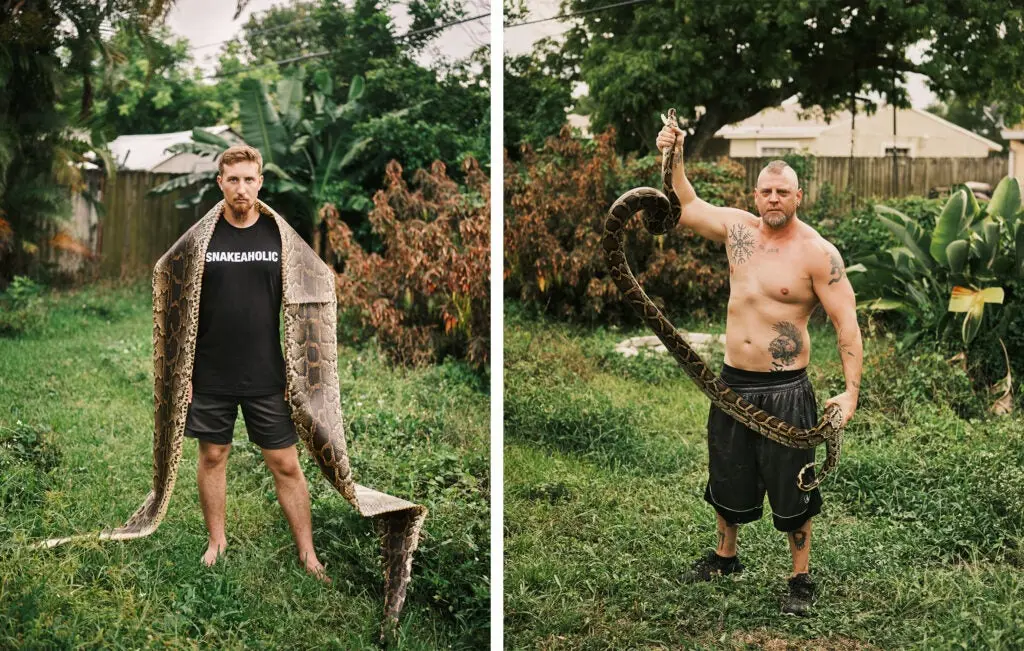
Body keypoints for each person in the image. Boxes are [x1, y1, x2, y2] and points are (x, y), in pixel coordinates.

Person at [655, 125, 862, 615]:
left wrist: (850, 393)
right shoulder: (738, 229)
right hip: (732, 383)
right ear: (756, 195)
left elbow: (846, 322)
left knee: (793, 484)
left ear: (798, 196)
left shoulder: (818, 253)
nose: (773, 198)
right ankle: (726, 557)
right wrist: (675, 154)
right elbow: (685, 203)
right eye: (766, 191)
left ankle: (800, 577)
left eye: (783, 192)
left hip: (787, 388)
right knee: (727, 473)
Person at [184, 144, 328, 581]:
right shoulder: (201, 239)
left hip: (269, 374)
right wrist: (182, 372)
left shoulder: (279, 236)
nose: (241, 188)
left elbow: (314, 293)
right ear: (220, 183)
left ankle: (308, 553)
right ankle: (217, 541)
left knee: (285, 463)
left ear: (260, 182)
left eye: (249, 179)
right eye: (233, 179)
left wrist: (302, 371)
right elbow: (175, 302)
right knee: (213, 455)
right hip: (211, 372)